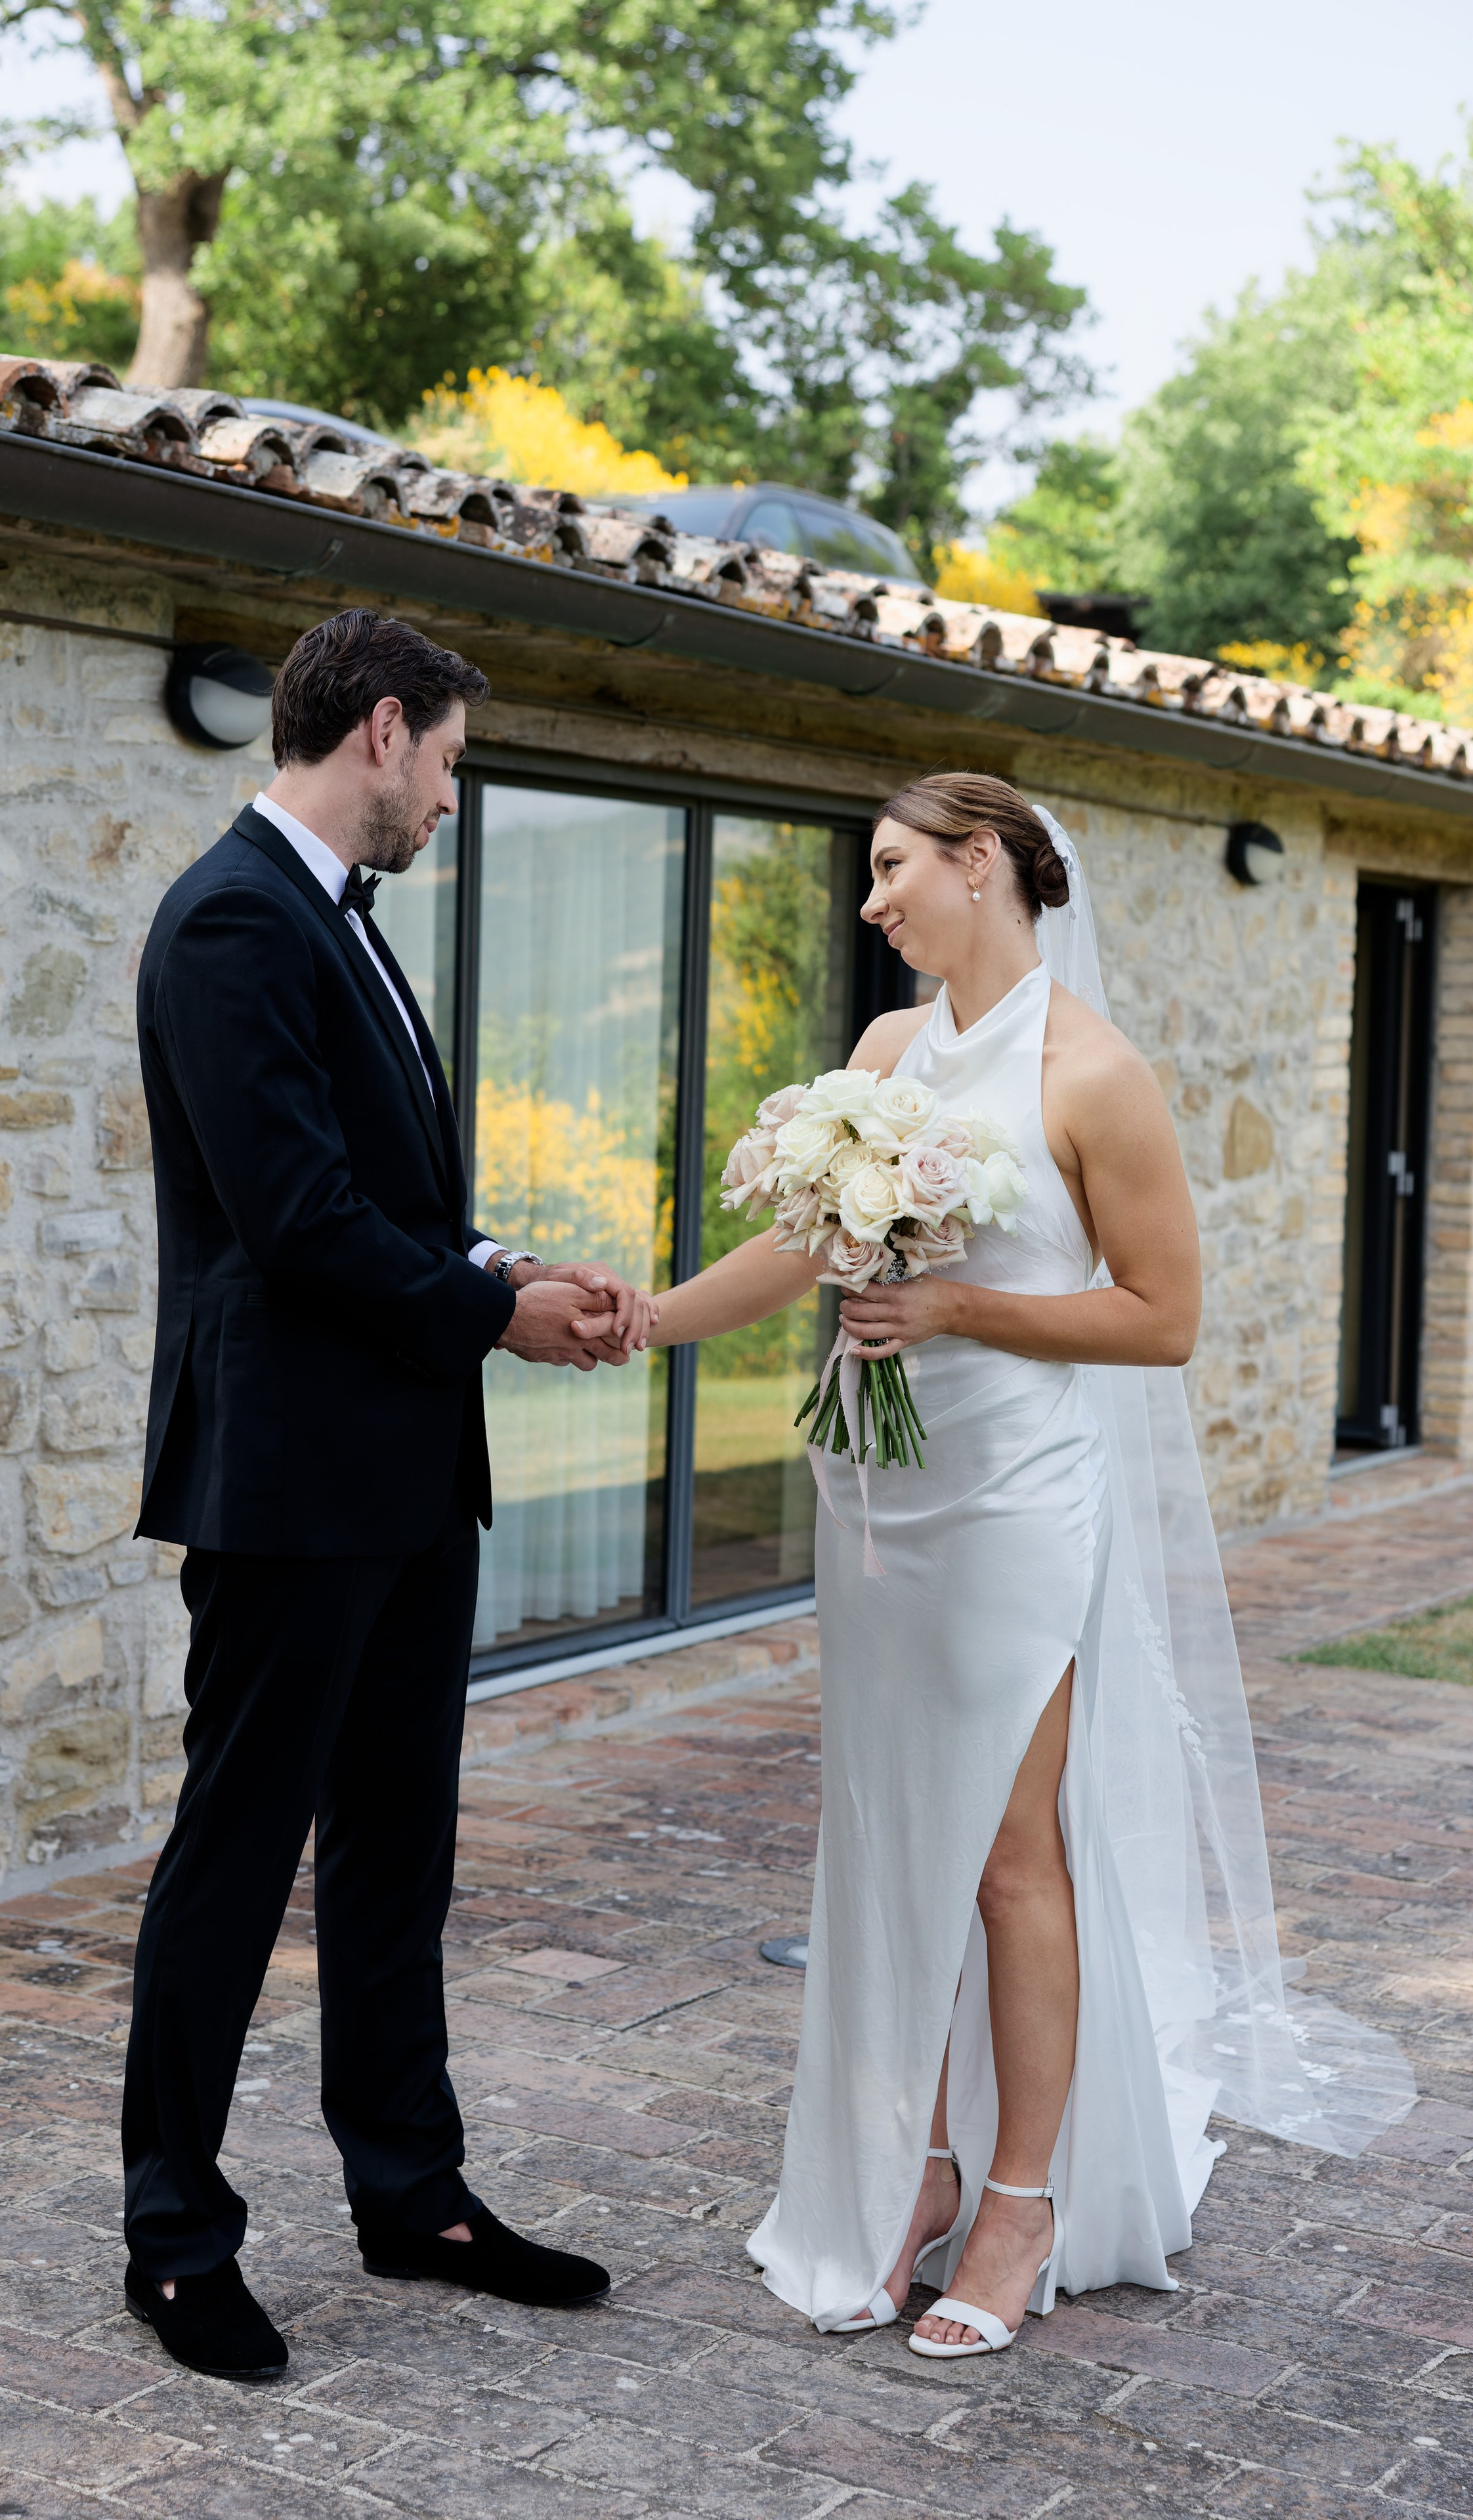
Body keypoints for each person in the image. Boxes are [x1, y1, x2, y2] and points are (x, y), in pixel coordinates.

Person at [651, 772, 1413, 2355]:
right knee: (884, 1839)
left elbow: (1161, 1319)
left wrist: (957, 1310)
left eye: (888, 870)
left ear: (977, 863)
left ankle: (1018, 2202)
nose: (869, 903)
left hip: (1012, 1504)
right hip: (875, 1501)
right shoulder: (880, 1057)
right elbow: (804, 1246)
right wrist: (641, 1323)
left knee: (1004, 1852)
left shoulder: (1095, 1075)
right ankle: (902, 2179)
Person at [121, 608, 656, 2380]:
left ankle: (411, 2193)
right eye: (448, 760)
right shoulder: (227, 919)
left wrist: (505, 1264)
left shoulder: (339, 926)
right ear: (379, 732)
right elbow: (291, 1219)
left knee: (396, 1855)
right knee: (232, 1856)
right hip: (285, 1480)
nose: (451, 796)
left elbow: (384, 1201)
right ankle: (177, 2239)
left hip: (411, 1474)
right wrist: (490, 1314)